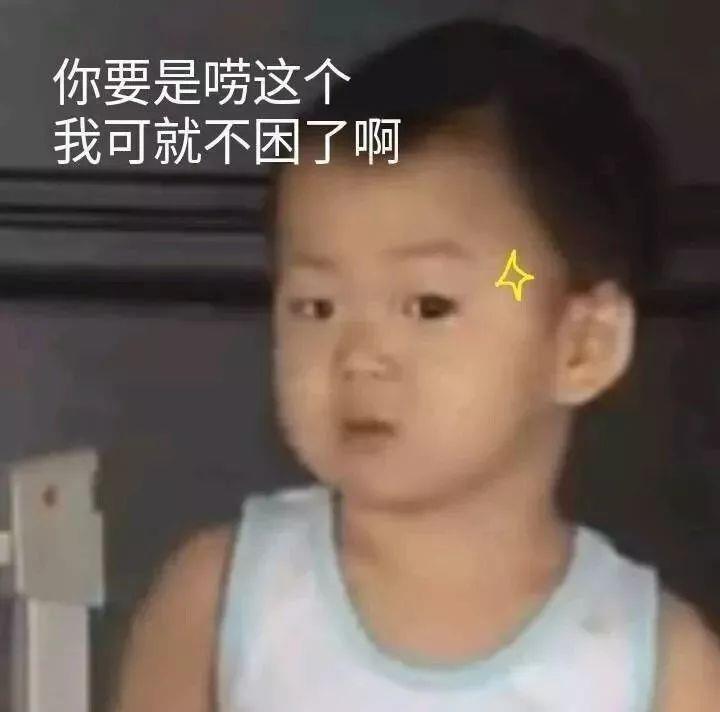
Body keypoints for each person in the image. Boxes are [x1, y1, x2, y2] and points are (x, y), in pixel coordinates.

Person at [110, 18, 720, 712]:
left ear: (583, 346)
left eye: (429, 306)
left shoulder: (659, 665)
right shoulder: (220, 599)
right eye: (316, 306)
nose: (360, 356)